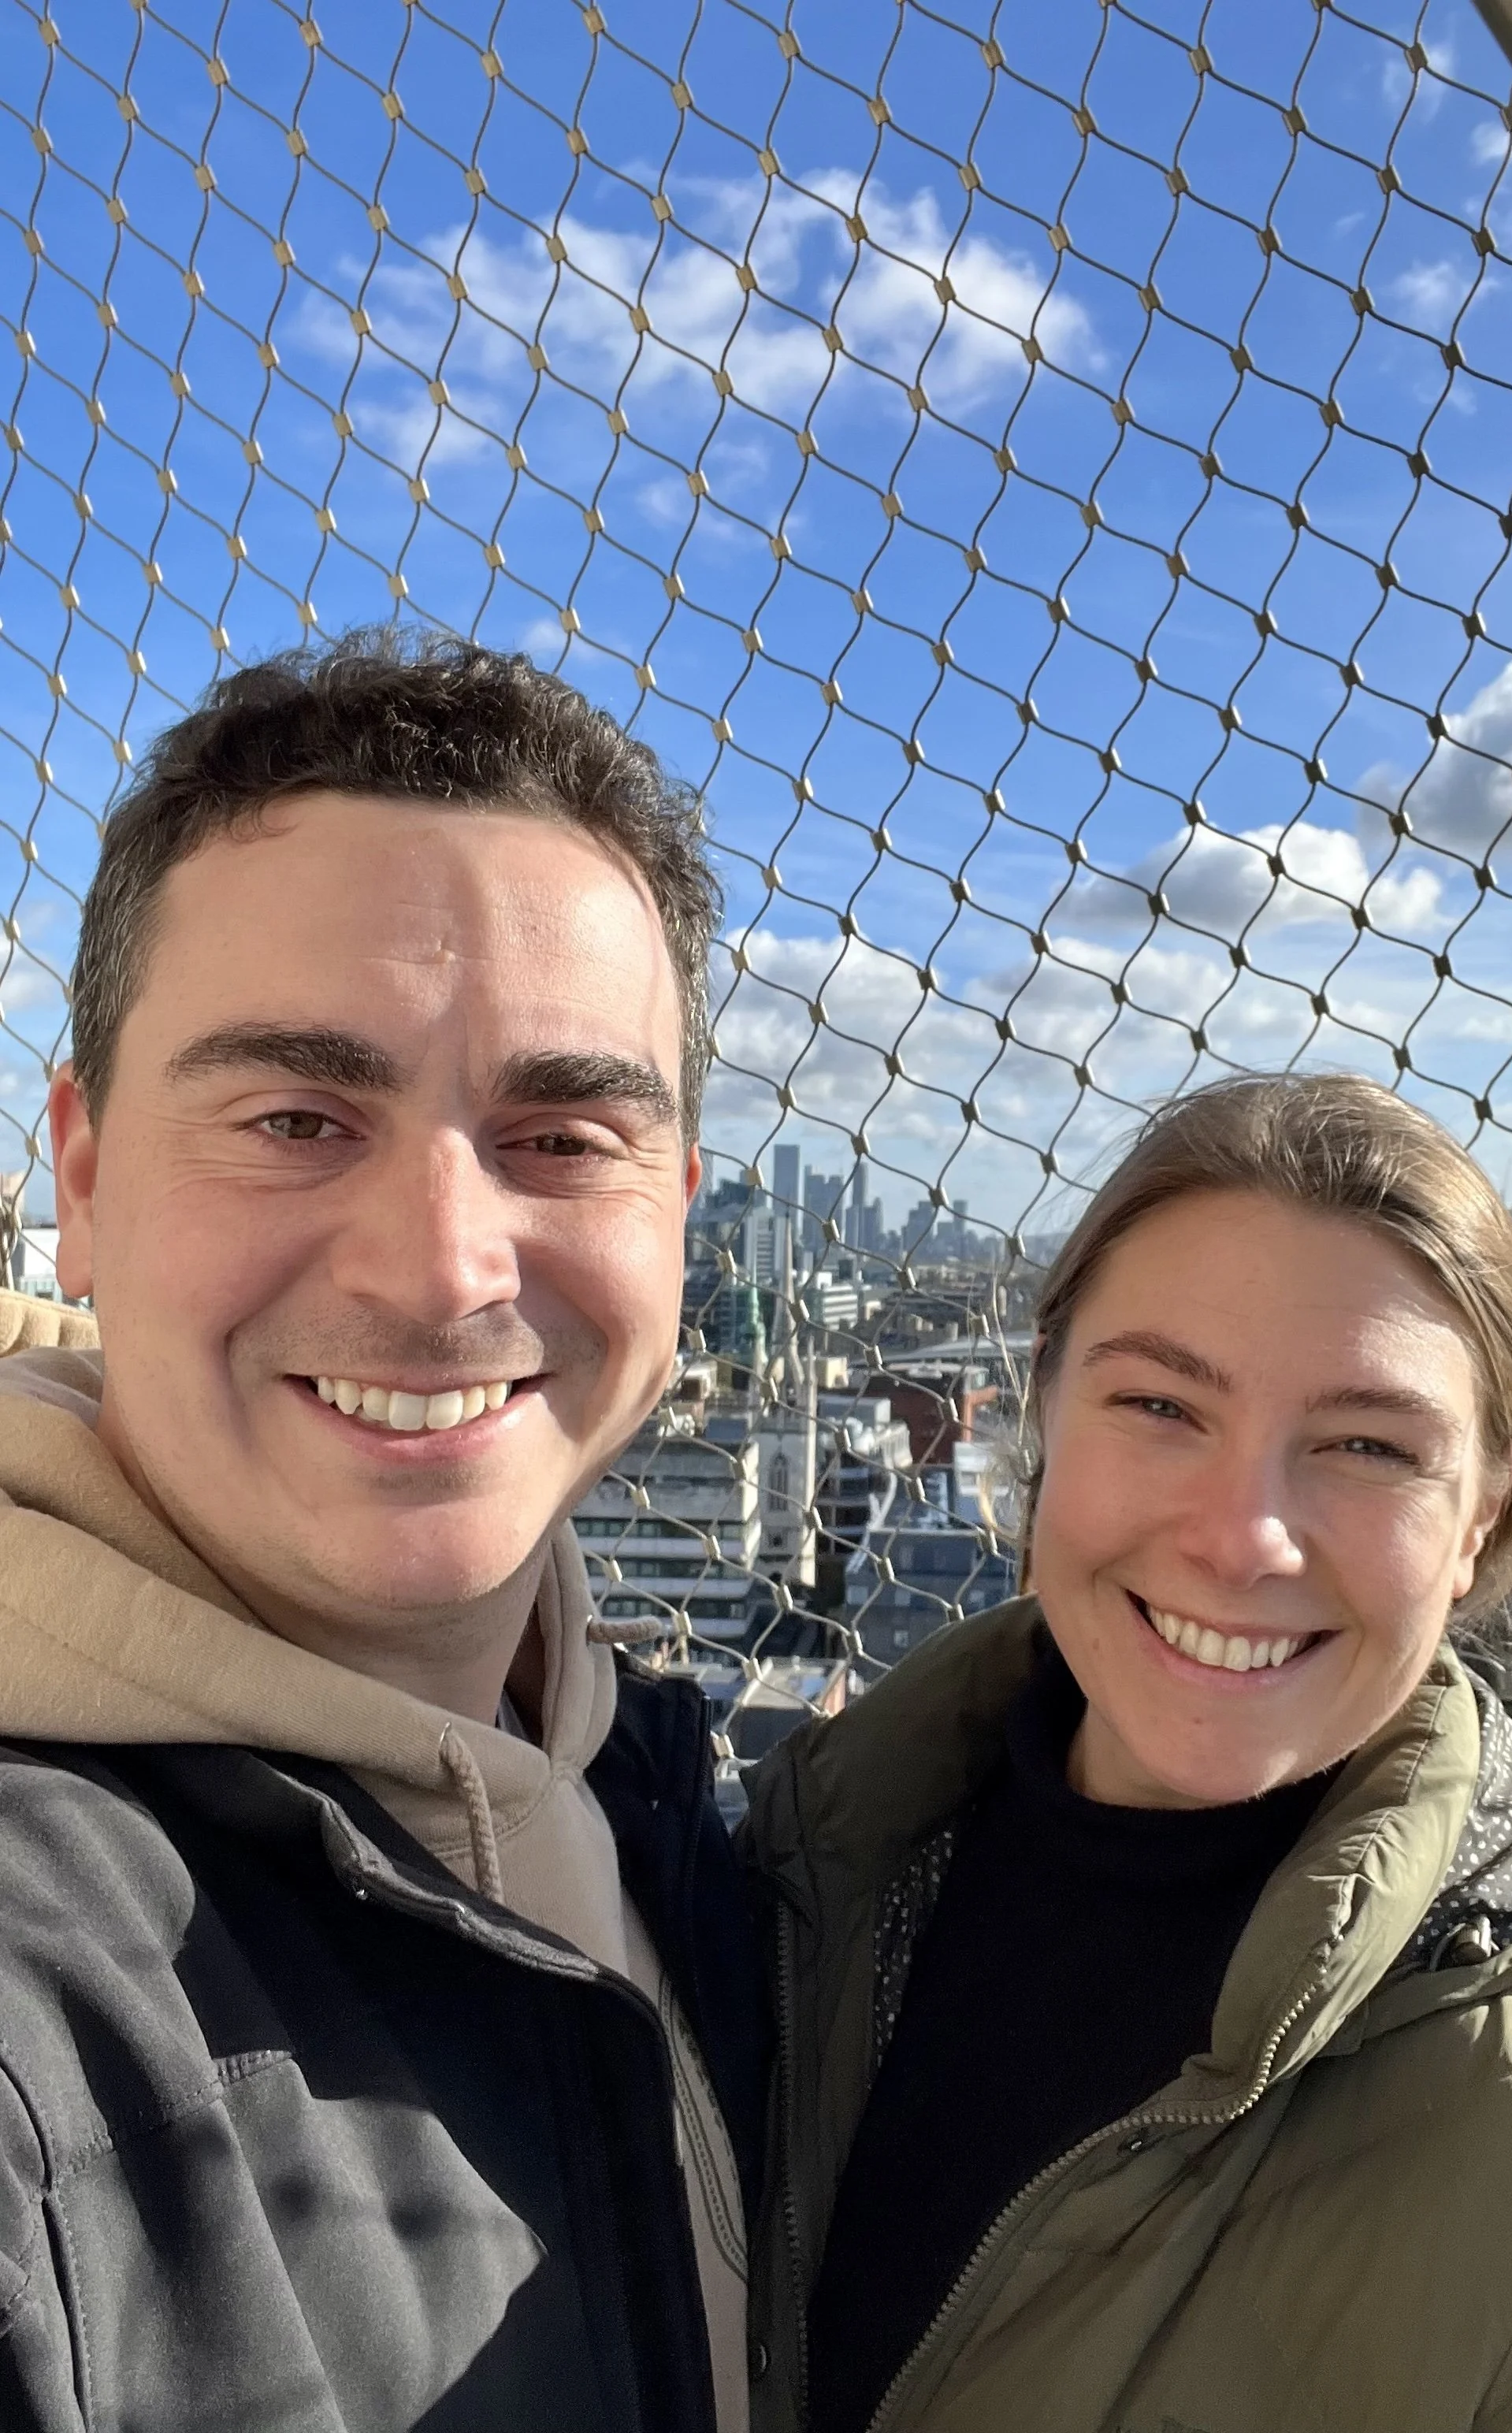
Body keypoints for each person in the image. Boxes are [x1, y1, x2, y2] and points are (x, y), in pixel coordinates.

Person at [745, 1072, 1512, 2433]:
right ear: (1042, 1414)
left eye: (1367, 1444)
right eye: (1159, 1407)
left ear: (1486, 1520)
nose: (1240, 1536)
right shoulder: (784, 1887)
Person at [0, 633, 761, 2431]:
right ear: (84, 1185)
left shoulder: (681, 1812)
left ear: (680, 1213)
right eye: (292, 1117)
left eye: (563, 1135)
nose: (439, 1268)